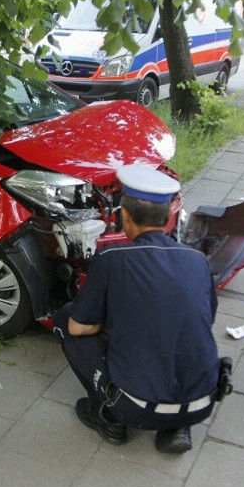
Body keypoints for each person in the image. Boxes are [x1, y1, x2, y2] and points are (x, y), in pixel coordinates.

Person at [53, 164, 219, 454]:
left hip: (136, 410)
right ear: (168, 218)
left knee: (65, 317)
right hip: (203, 403)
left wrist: (119, 320)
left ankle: (108, 415)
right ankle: (177, 426)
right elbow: (206, 318)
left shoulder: (111, 260)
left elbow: (79, 327)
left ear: (124, 217)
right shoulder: (198, 260)